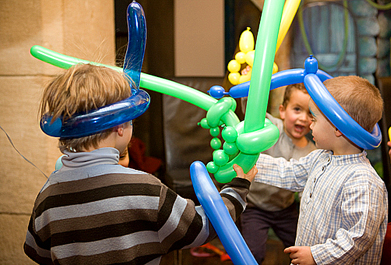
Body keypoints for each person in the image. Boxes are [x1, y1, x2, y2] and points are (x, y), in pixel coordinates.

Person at [23, 64, 258, 265]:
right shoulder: (143, 189)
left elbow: (37, 251)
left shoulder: (48, 193)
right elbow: (202, 226)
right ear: (120, 126)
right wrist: (239, 187)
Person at [255, 76, 388, 265]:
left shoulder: (363, 181)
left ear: (338, 127)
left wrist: (316, 256)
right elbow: (290, 172)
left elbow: (358, 237)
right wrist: (253, 164)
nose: (310, 124)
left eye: (314, 119)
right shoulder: (321, 157)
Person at [240, 83, 316, 264]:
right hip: (255, 207)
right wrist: (250, 87)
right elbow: (253, 116)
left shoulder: (312, 152)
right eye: (297, 109)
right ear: (282, 111)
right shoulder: (272, 127)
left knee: (300, 248)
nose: (304, 118)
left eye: (310, 114)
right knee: (253, 255)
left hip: (285, 209)